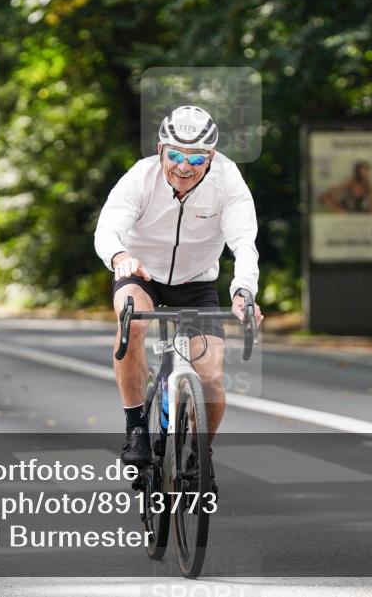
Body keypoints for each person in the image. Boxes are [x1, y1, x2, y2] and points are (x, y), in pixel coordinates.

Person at [94, 105, 263, 470]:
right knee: (132, 323)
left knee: (212, 379)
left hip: (196, 282)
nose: (184, 167)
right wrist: (120, 256)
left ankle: (199, 456)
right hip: (142, 274)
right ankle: (136, 425)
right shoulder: (141, 177)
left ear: (211, 156)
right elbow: (108, 226)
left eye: (196, 158)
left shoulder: (228, 180)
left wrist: (243, 291)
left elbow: (244, 242)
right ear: (160, 150)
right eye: (174, 155)